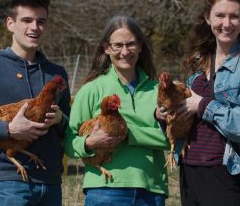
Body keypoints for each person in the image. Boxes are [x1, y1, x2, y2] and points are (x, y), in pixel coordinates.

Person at [158, 0, 240, 206]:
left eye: (234, 16)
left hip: (226, 172)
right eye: (220, 15)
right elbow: (188, 114)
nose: (226, 23)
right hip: (190, 169)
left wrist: (203, 105)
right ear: (207, 17)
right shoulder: (198, 61)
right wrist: (165, 114)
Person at [0, 0, 70, 206]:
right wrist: (9, 129)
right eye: (27, 20)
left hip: (51, 183)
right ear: (10, 23)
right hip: (10, 185)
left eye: (41, 21)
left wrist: (60, 120)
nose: (34, 27)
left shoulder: (56, 74)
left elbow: (69, 126)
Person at [64, 16, 170, 206]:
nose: (124, 51)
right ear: (106, 48)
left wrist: (127, 134)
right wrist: (89, 143)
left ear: (140, 47)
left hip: (151, 189)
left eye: (131, 44)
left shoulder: (158, 91)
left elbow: (172, 139)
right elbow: (69, 142)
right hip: (105, 188)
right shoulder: (92, 89)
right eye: (117, 45)